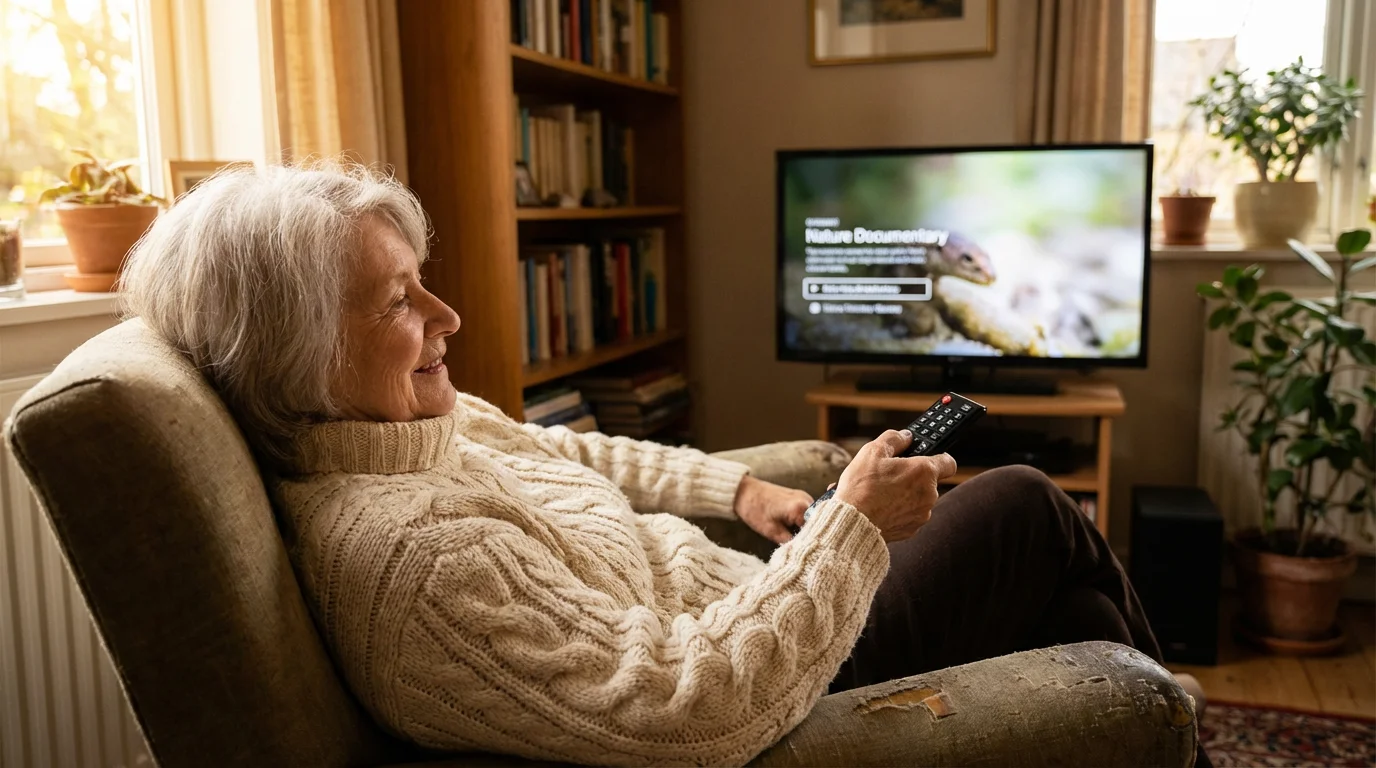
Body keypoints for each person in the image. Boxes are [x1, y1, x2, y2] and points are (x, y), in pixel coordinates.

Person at [121, 162, 1206, 767]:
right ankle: (1165, 718)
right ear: (294, 350)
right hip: (785, 678)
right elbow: (687, 709)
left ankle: (1146, 721)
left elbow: (560, 448)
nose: (447, 316)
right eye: (400, 299)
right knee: (1024, 503)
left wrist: (738, 489)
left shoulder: (419, 428)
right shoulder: (410, 562)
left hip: (763, 604)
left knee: (1079, 615)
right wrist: (853, 530)